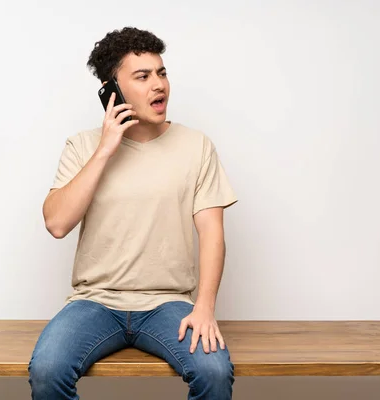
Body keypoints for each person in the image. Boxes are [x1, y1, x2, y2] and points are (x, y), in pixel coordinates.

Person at [28, 26, 237, 400]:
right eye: (142, 76)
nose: (159, 85)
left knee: (215, 372)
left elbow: (212, 234)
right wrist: (106, 149)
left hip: (168, 304)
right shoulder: (82, 146)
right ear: (114, 90)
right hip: (95, 302)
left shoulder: (196, 146)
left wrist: (205, 308)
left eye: (161, 73)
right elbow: (57, 223)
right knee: (47, 370)